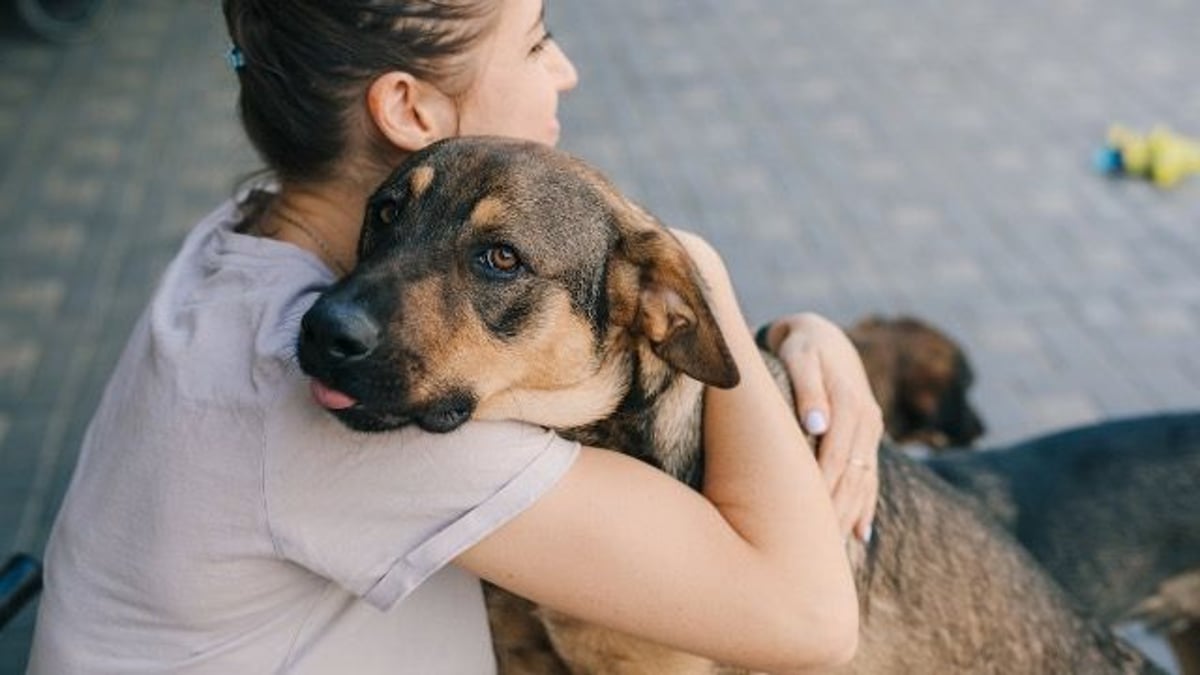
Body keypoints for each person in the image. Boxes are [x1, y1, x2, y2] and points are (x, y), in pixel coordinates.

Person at [27, 1, 884, 672]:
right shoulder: (370, 421)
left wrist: (802, 338)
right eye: (537, 43)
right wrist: (705, 270)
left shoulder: (254, 237)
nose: (568, 72)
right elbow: (810, 618)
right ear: (408, 107)